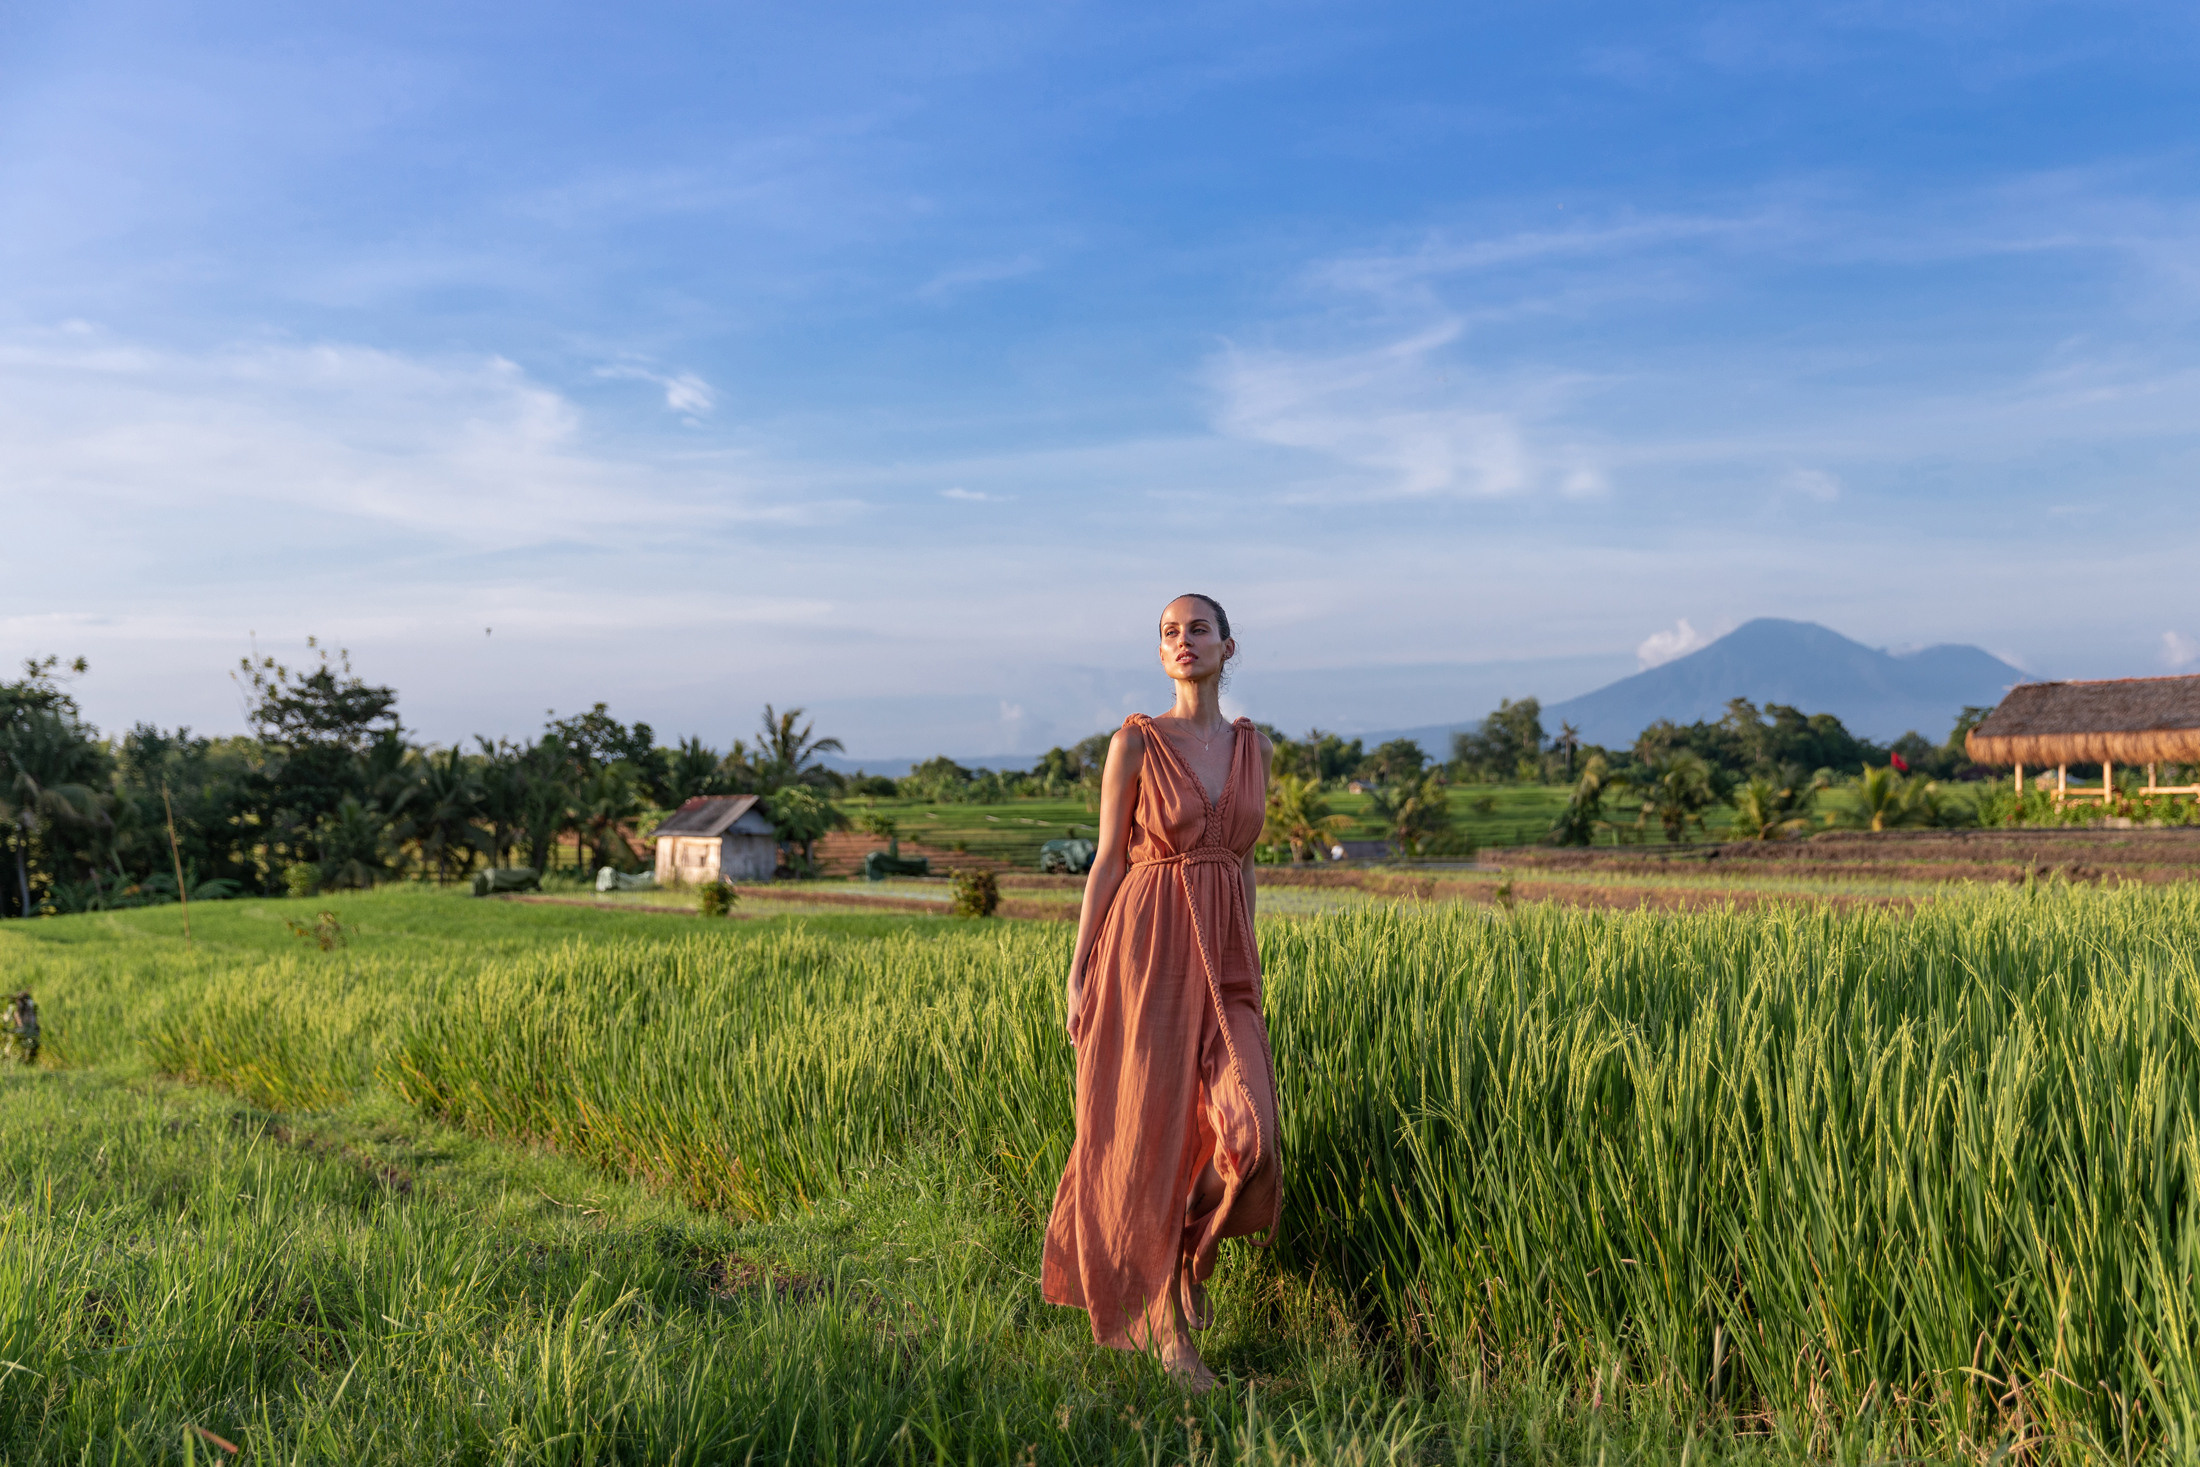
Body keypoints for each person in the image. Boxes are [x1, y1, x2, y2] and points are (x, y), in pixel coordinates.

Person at [1041, 594, 1280, 1391]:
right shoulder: (1136, 743)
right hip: (1144, 950)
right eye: (1170, 633)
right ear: (1162, 654)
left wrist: (1250, 957)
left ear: (1227, 646)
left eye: (1198, 629)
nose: (1184, 641)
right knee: (1143, 1130)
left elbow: (1243, 861)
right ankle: (1169, 1336)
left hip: (1227, 954)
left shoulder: (1254, 749)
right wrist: (1079, 971)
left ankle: (1184, 1255)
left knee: (1251, 1134)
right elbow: (1108, 860)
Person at [6, 990, 38, 1065]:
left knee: (29, 1043)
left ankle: (27, 1060)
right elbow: (8, 1019)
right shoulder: (16, 1010)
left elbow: (32, 1022)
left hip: (28, 1032)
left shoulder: (29, 1009)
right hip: (21, 1031)